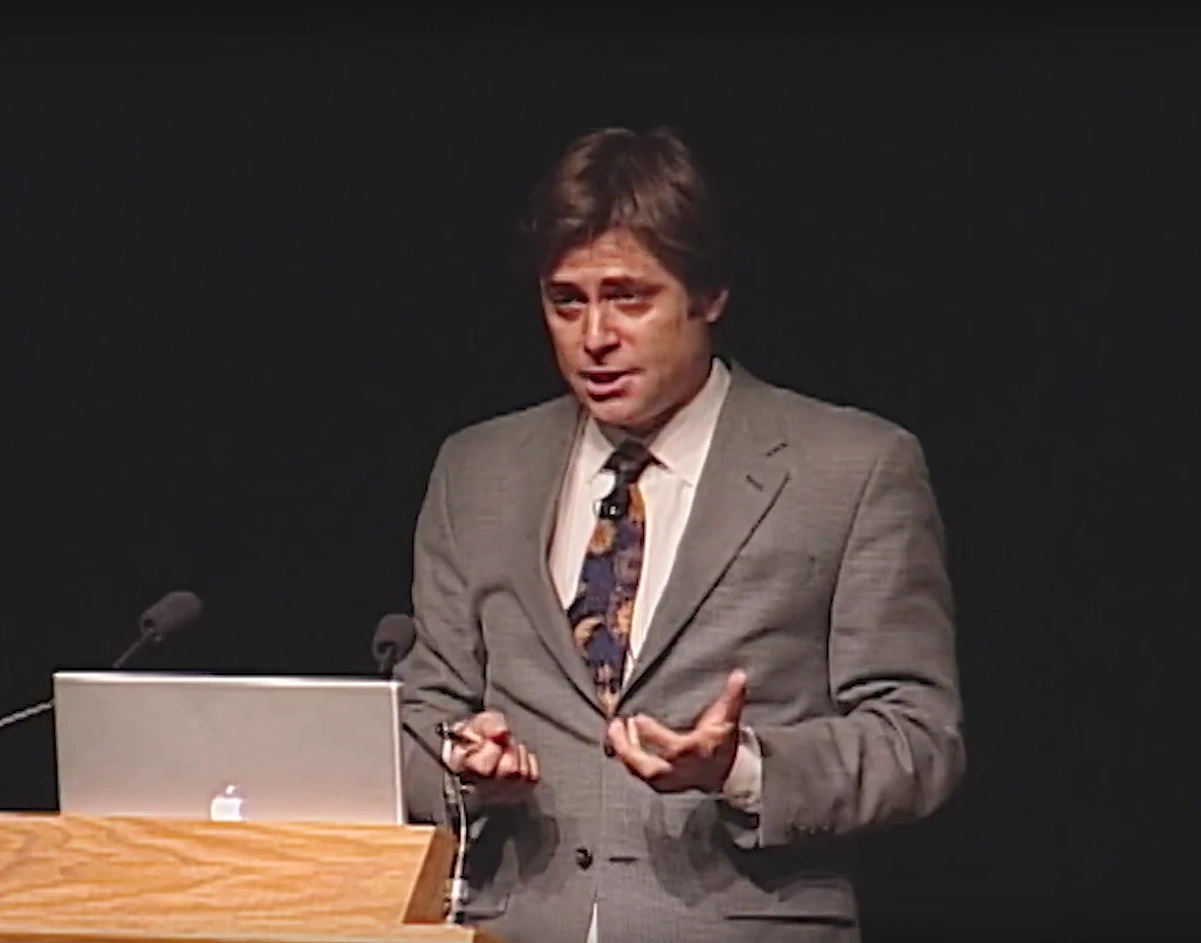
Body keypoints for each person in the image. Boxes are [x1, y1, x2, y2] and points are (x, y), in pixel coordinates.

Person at [398, 125, 964, 943]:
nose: (594, 337)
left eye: (629, 297)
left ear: (708, 296)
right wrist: (464, 764)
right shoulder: (476, 470)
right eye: (567, 300)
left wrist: (740, 768)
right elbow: (423, 721)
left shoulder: (854, 468)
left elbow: (918, 739)